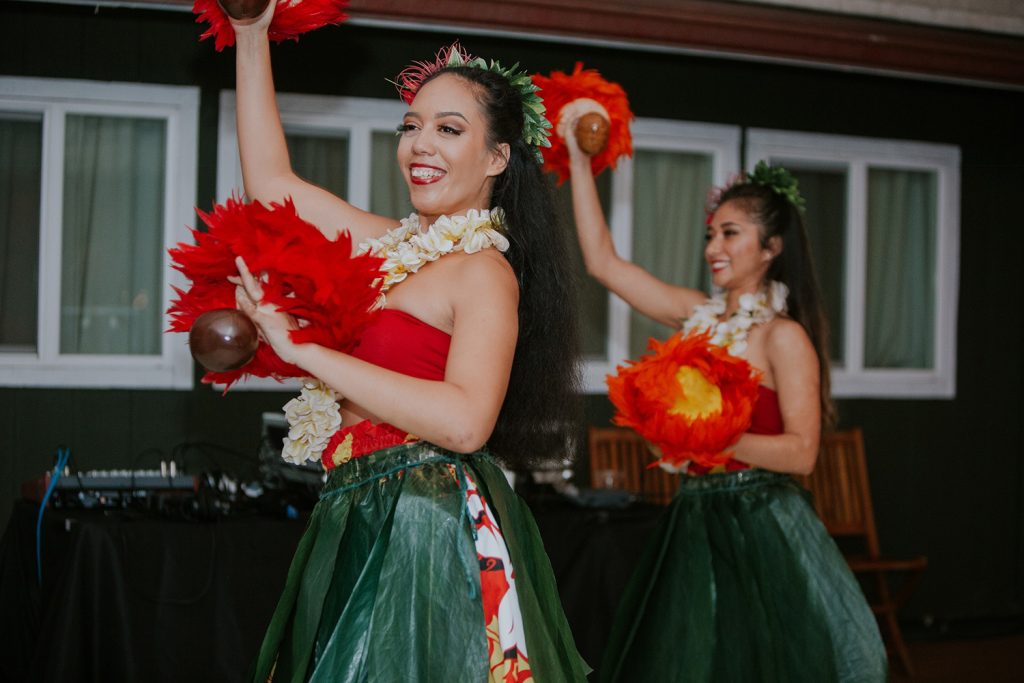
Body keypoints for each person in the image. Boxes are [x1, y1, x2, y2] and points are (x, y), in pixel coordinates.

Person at [226, 5, 588, 681]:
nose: (420, 143)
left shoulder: (484, 272)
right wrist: (251, 37)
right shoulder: (391, 249)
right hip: (355, 504)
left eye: (449, 129)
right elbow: (273, 187)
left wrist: (306, 353)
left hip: (430, 520)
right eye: (412, 125)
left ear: (497, 156)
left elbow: (464, 420)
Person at [558, 100, 887, 682]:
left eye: (730, 233)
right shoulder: (696, 317)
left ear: (771, 247)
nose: (713, 246)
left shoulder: (782, 338)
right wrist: (581, 163)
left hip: (761, 520)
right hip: (694, 518)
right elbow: (604, 264)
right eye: (711, 233)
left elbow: (802, 452)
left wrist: (712, 438)